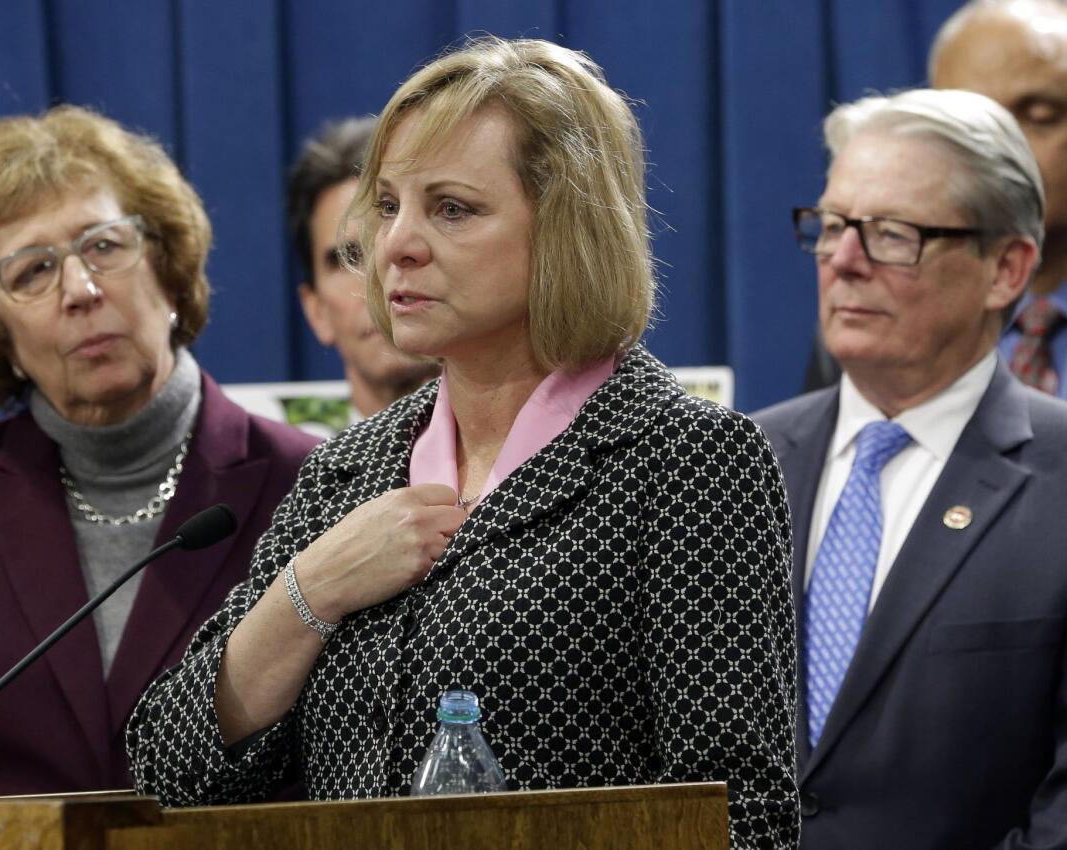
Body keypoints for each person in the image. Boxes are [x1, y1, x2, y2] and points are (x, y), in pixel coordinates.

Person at [127, 37, 799, 850]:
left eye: (451, 208)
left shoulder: (685, 461)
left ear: (566, 226)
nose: (397, 245)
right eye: (386, 206)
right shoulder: (348, 471)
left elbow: (744, 821)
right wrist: (305, 593)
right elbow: (167, 770)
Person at [0, 106, 319, 799]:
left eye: (104, 246)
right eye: (32, 271)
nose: (80, 290)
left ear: (168, 271)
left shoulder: (309, 480)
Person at [756, 88, 1067, 849]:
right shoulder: (736, 462)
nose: (846, 263)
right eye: (830, 228)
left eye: (892, 235)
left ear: (1005, 268)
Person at [804, 0, 1067, 396]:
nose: (1001, 148)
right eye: (967, 129)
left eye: (1041, 115)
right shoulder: (874, 321)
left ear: (1010, 268)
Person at [288, 117, 438, 419]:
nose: (380, 277)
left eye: (396, 245)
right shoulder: (306, 467)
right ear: (315, 311)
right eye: (348, 258)